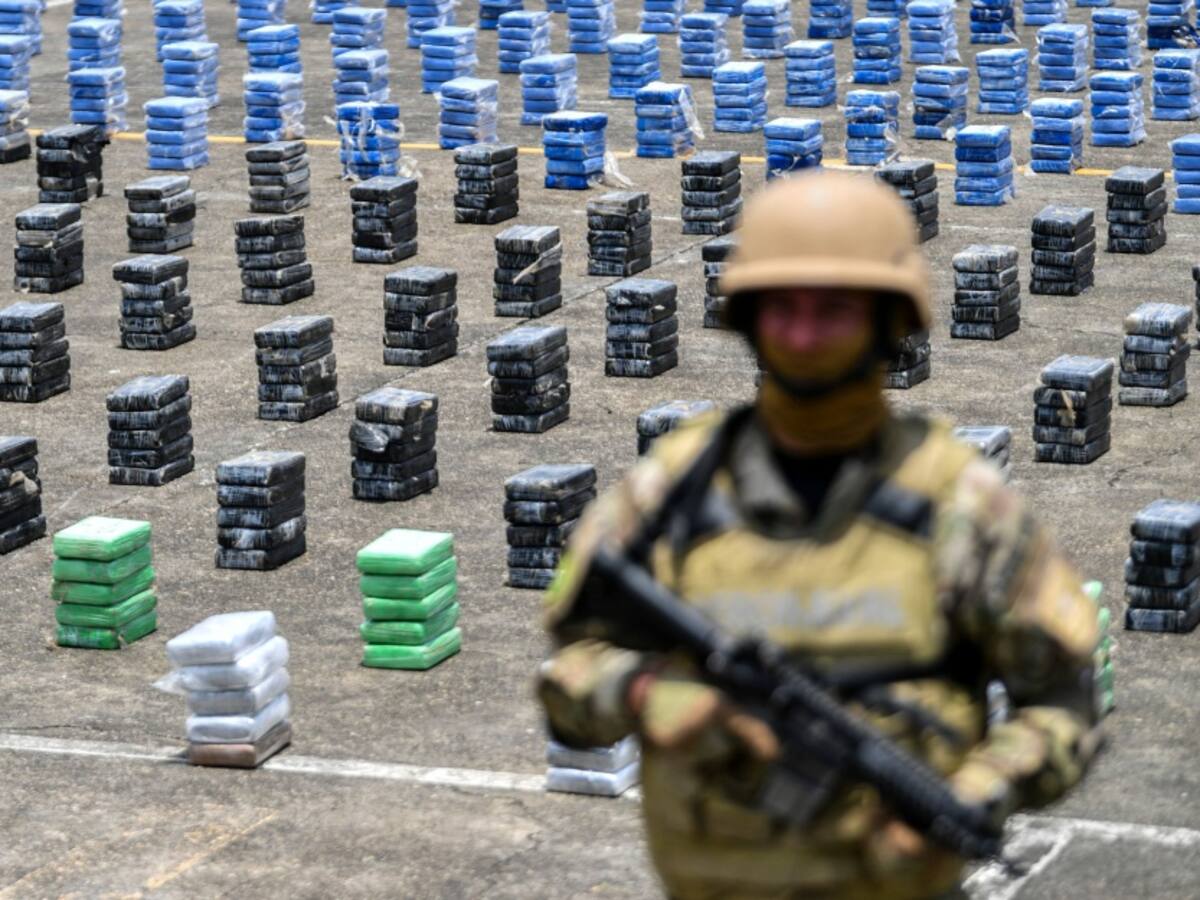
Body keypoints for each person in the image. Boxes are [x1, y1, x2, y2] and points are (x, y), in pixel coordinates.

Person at [535, 172, 1101, 900]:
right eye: (782, 309)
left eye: (833, 311)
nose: (802, 336)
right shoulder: (674, 486)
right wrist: (641, 691)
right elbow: (566, 673)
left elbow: (1064, 701)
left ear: (887, 322)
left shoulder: (960, 503)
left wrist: (976, 792)